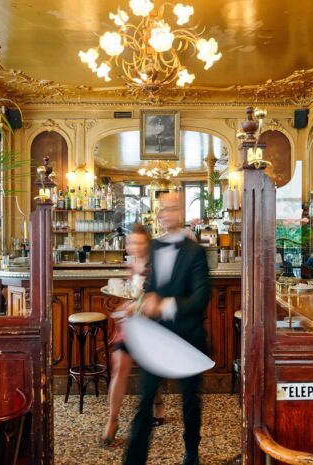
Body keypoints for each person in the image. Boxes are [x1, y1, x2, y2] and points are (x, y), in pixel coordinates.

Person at [123, 191, 211, 465]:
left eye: (171, 208)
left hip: (188, 337)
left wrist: (164, 305)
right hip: (157, 336)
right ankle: (134, 460)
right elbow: (152, 287)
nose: (165, 214)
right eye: (162, 209)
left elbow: (200, 298)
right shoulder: (155, 247)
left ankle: (191, 453)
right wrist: (139, 304)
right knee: (145, 399)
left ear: (181, 213)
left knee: (190, 401)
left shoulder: (196, 252)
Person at [100, 224, 165, 446]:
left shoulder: (157, 266)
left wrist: (135, 306)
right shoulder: (133, 264)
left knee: (151, 367)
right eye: (131, 242)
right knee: (119, 366)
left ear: (148, 244)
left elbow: (157, 296)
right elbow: (133, 294)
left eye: (139, 242)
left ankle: (158, 403)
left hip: (151, 326)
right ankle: (112, 421)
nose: (134, 246)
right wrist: (125, 306)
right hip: (130, 325)